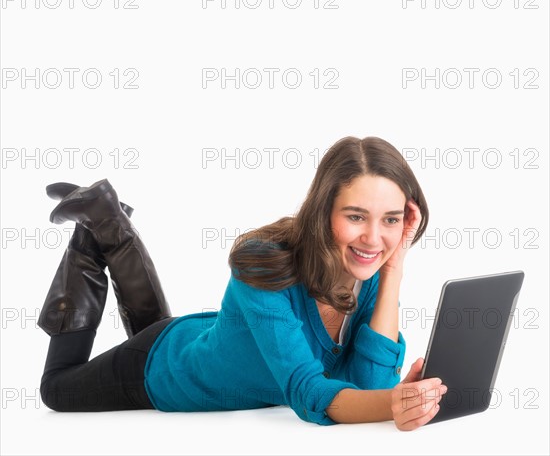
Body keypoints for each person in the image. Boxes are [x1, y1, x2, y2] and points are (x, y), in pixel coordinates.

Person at [38, 135, 447, 431]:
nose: (375, 239)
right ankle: (93, 235)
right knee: (56, 389)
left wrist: (395, 269)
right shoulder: (265, 264)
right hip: (162, 374)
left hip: (196, 339)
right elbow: (309, 394)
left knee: (152, 329)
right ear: (323, 211)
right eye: (356, 216)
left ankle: (108, 220)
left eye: (391, 220)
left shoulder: (368, 270)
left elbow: (366, 385)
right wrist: (391, 404)